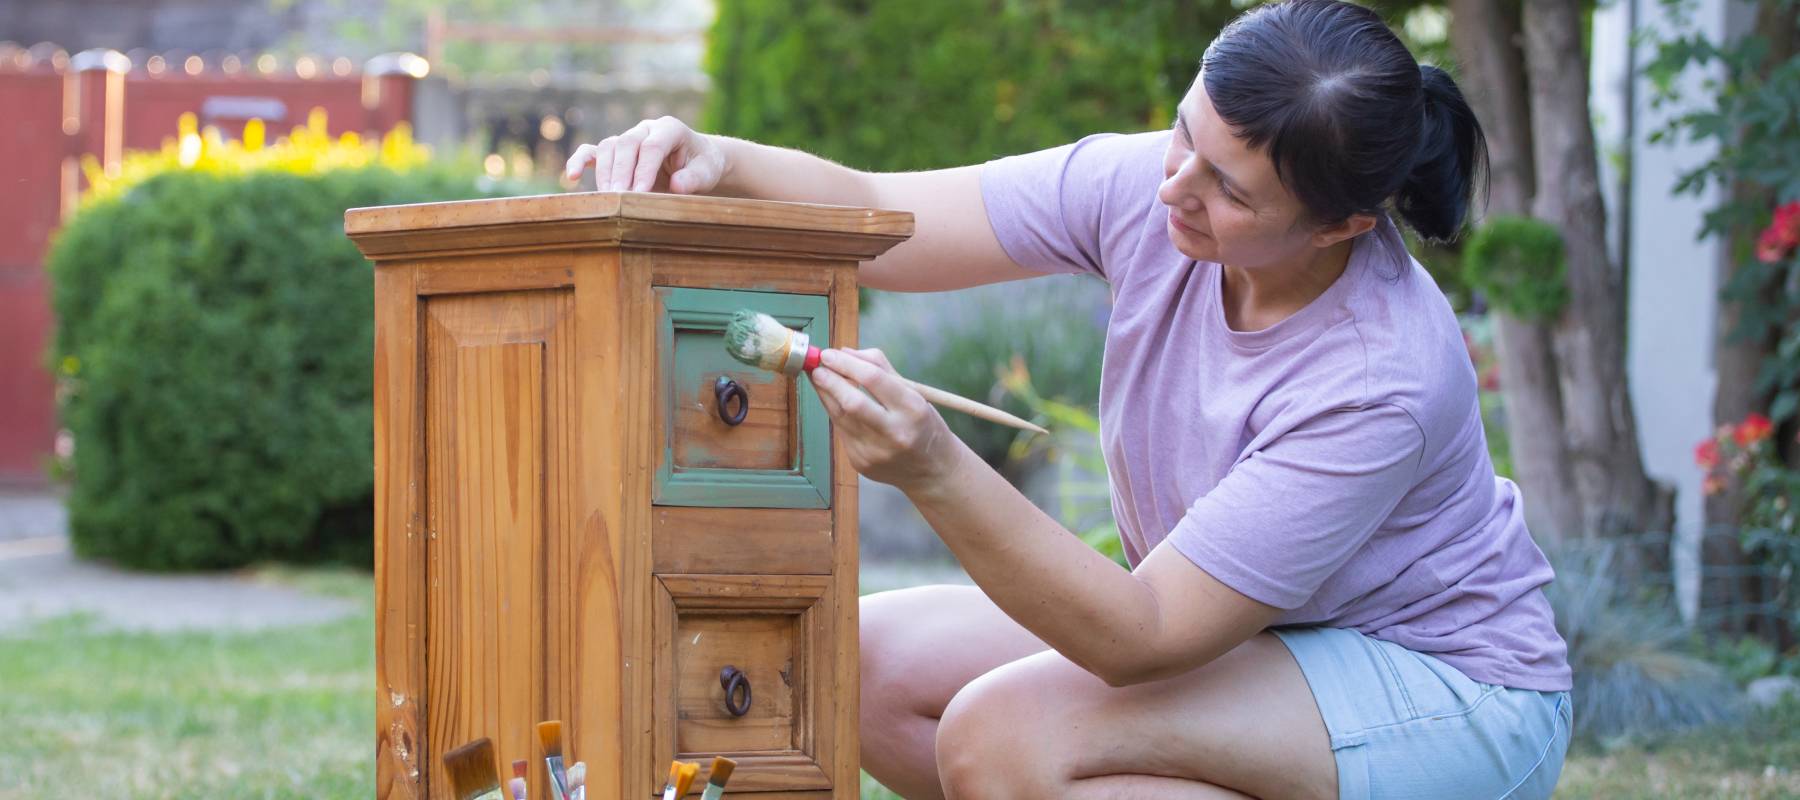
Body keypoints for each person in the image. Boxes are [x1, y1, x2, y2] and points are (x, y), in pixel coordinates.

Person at [567, 1, 1572, 797]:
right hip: (1266, 642)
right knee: (849, 665)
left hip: (1444, 687)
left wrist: (935, 465)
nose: (1175, 186)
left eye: (1228, 190)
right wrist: (720, 158)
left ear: (1342, 225)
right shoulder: (1159, 184)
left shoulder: (1375, 376)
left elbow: (1138, 634)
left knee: (1008, 737)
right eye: (1184, 133)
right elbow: (893, 218)